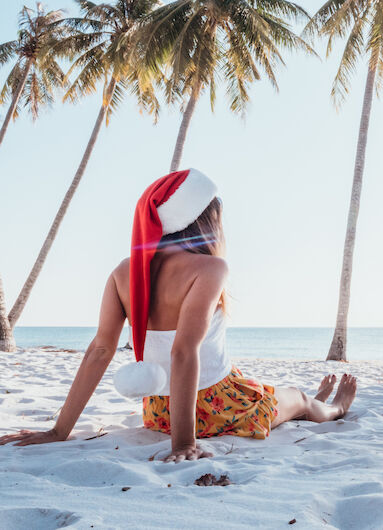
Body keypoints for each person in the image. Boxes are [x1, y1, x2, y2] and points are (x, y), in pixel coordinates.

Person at [0, 169, 357, 463]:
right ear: (203, 222)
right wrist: (184, 444)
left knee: (265, 389)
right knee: (297, 397)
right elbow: (183, 352)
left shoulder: (124, 272)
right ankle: (334, 408)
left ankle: (313, 403)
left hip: (160, 411)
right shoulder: (210, 268)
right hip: (218, 406)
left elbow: (100, 350)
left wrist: (58, 431)